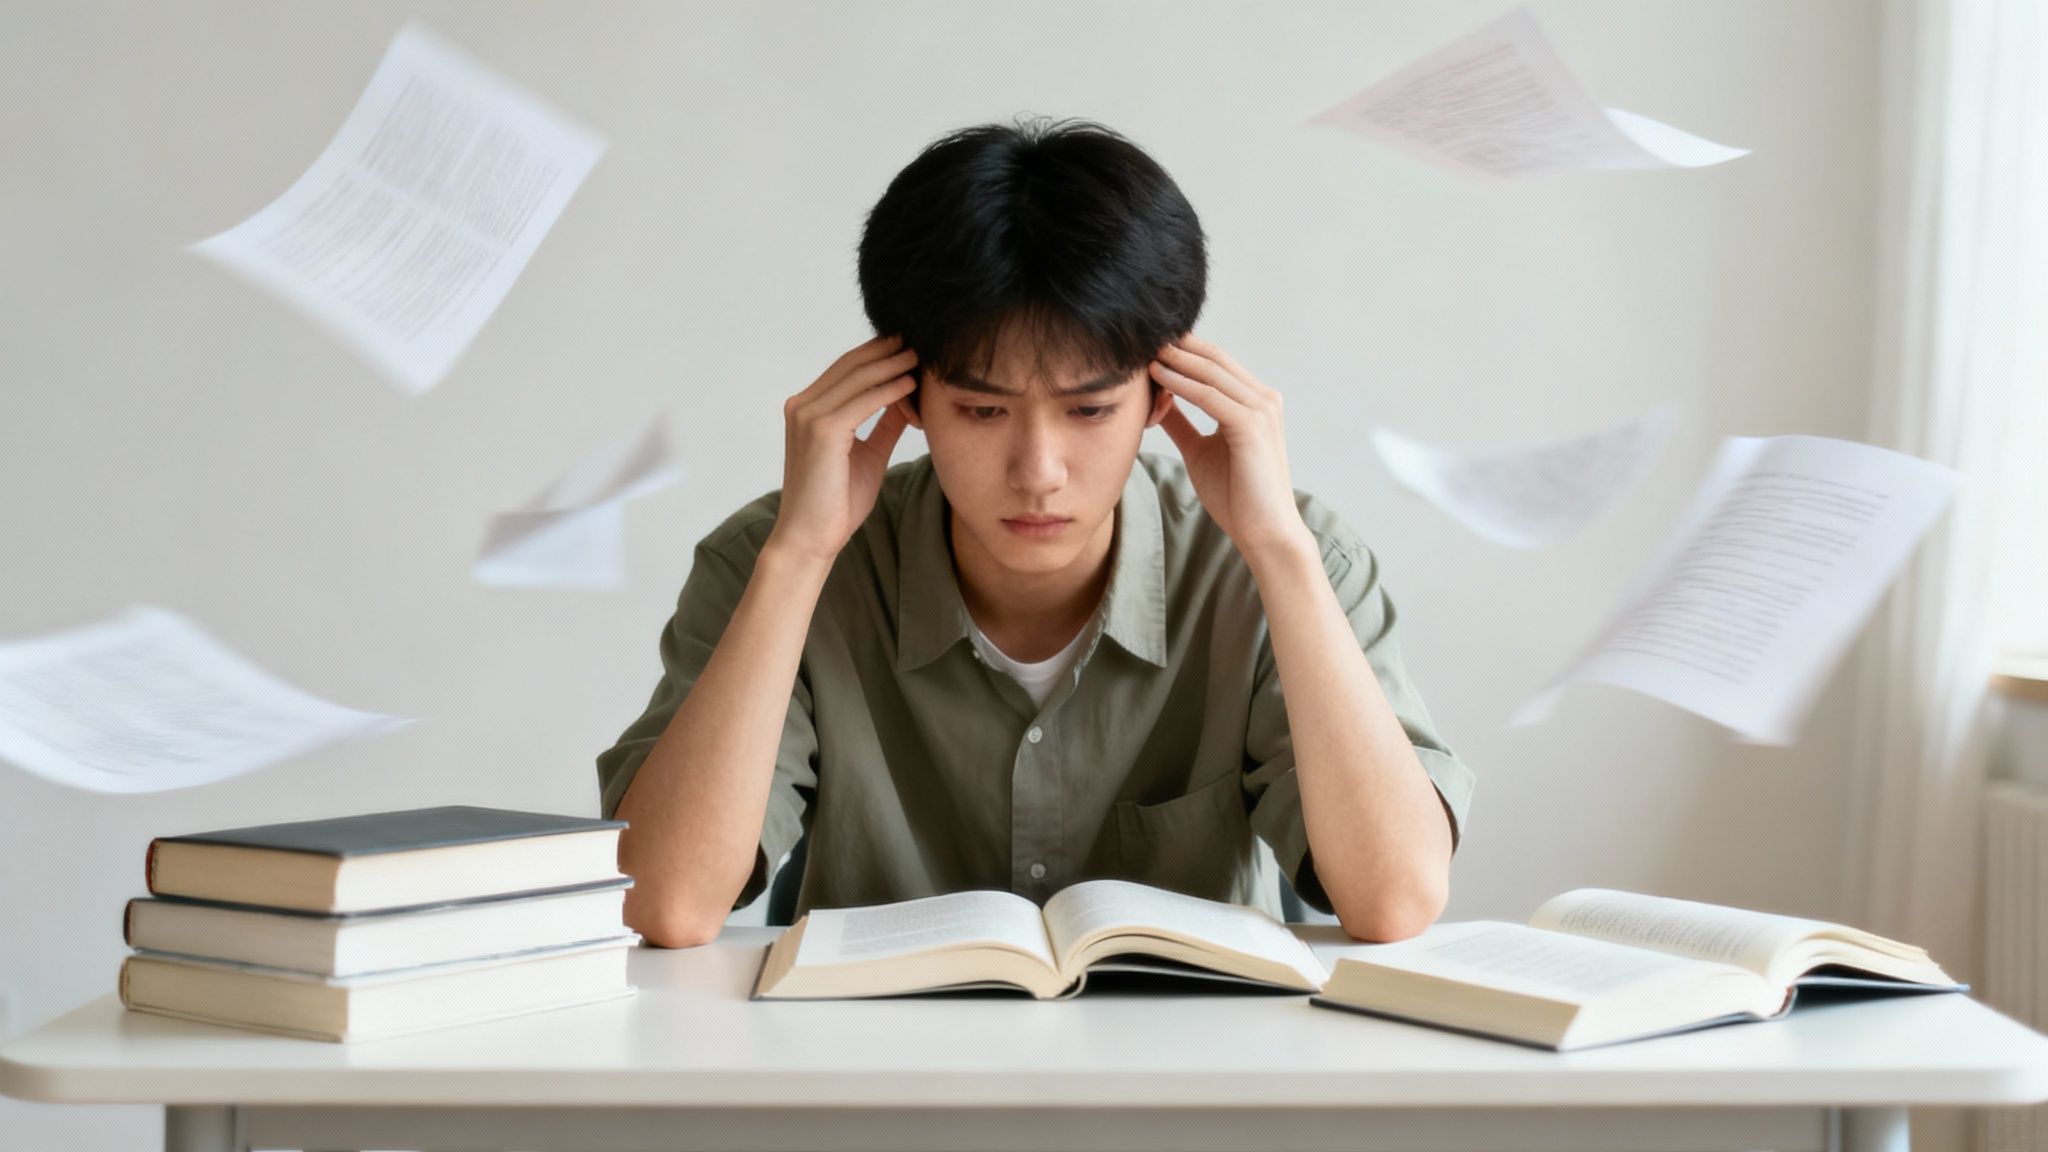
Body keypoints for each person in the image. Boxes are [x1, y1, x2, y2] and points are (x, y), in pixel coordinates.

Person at [596, 118, 1474, 948]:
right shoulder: (772, 557)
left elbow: (1394, 898)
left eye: (1090, 409)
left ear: (1163, 397)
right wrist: (799, 556)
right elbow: (667, 904)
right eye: (981, 409)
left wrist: (1280, 553)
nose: (1038, 469)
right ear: (906, 397)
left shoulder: (1286, 554)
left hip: (1193, 1089)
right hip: (871, 1084)